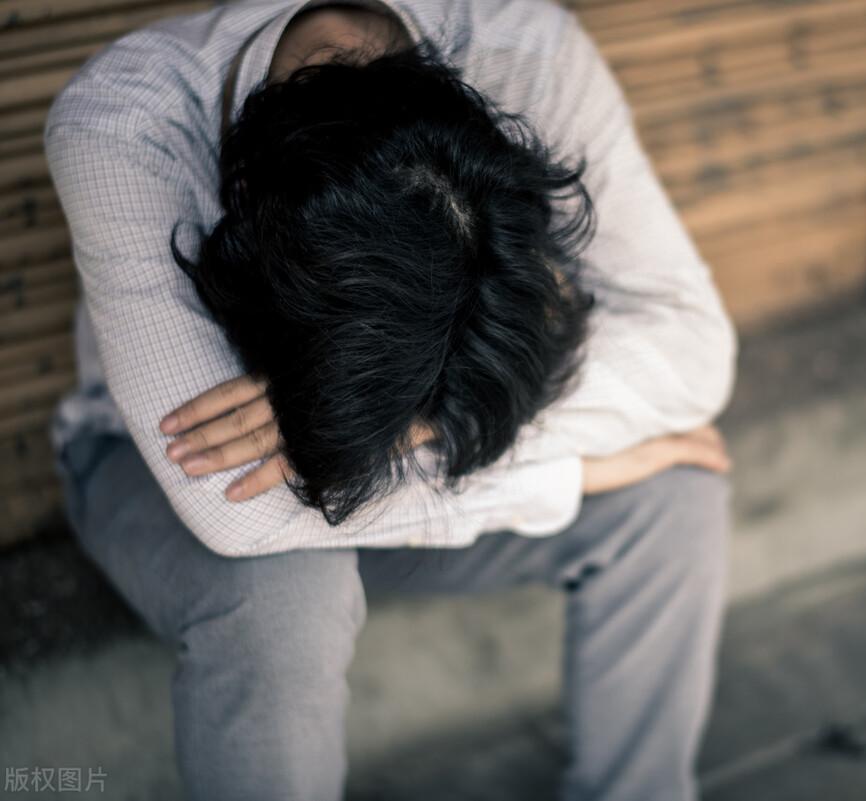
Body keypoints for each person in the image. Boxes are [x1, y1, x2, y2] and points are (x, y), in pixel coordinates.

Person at [45, 0, 738, 799]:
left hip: (363, 488)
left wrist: (420, 416)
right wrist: (563, 474)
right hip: (163, 471)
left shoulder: (526, 48)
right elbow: (234, 510)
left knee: (673, 492)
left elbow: (693, 346)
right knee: (285, 594)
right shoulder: (125, 117)